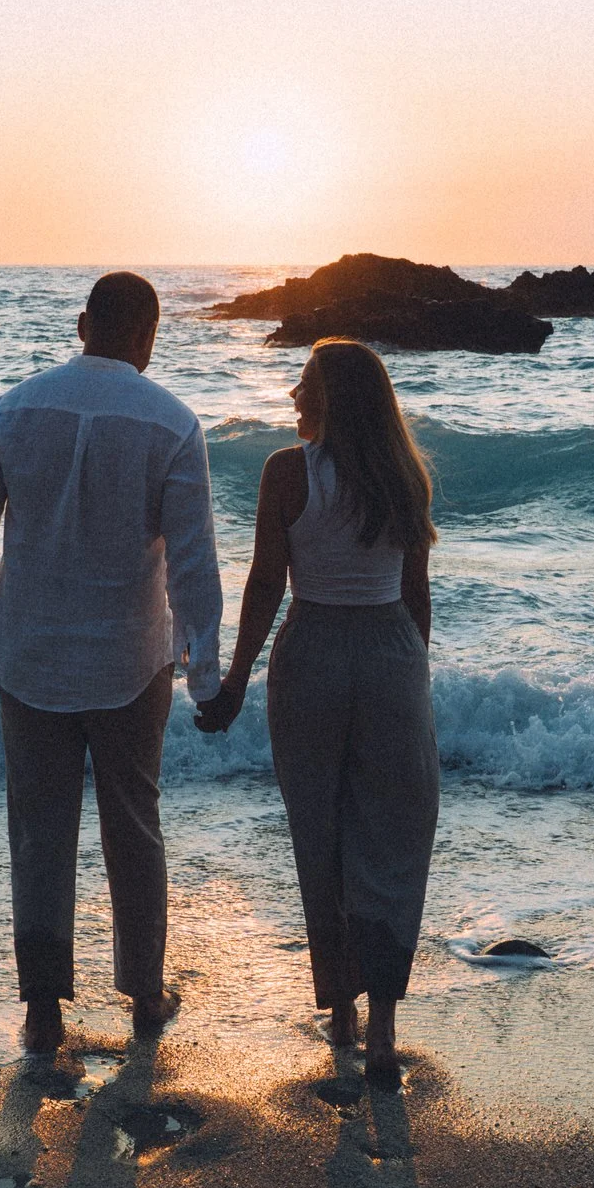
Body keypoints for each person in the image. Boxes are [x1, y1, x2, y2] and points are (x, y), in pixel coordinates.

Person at [0, 272, 224, 1053]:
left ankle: (42, 1011)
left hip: (28, 653)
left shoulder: (13, 409)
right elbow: (194, 563)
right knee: (134, 823)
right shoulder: (172, 423)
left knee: (38, 830)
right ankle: (145, 994)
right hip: (131, 659)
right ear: (148, 338)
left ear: (81, 323)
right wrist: (208, 676)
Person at [194, 339, 438, 1083]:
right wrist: (413, 674)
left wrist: (234, 682)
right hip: (391, 652)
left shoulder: (285, 473)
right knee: (393, 831)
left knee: (320, 828)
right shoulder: (406, 475)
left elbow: (267, 583)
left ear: (335, 397)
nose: (294, 397)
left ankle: (342, 1007)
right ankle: (385, 1025)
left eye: (305, 386)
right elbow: (417, 592)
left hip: (312, 655)